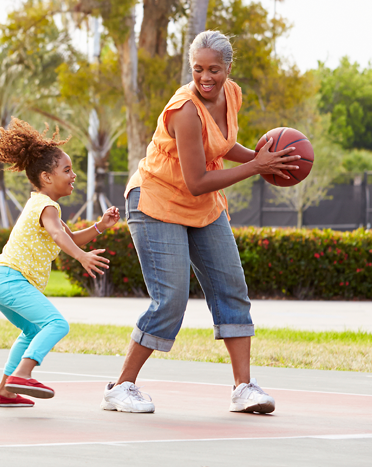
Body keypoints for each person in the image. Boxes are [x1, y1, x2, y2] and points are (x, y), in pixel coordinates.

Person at [102, 30, 299, 416]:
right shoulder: (186, 110)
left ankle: (244, 388)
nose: (205, 77)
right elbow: (196, 181)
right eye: (197, 69)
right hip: (156, 201)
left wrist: (262, 160)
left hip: (202, 207)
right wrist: (255, 168)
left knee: (232, 287)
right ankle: (121, 386)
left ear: (228, 67)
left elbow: (222, 147)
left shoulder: (231, 94)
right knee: (171, 299)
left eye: (213, 69)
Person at [0, 118, 120, 409]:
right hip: (11, 279)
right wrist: (81, 258)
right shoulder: (47, 205)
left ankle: (4, 392)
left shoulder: (44, 206)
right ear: (46, 177)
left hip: (0, 280)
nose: (73, 176)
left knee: (33, 330)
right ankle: (22, 375)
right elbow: (60, 236)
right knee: (56, 324)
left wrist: (101, 226)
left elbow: (71, 235)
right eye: (67, 170)